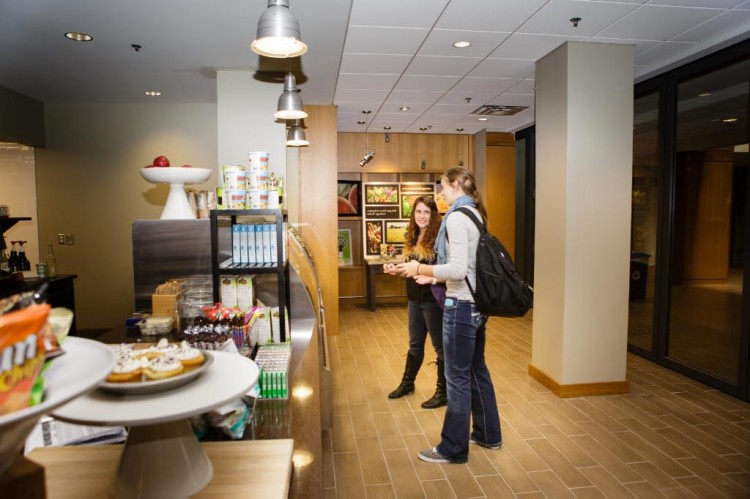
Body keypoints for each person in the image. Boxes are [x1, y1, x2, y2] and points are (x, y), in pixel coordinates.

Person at [397, 167, 502, 464]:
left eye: (442, 188)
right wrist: (431, 277)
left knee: (456, 378)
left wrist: (420, 269)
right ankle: (487, 434)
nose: (440, 195)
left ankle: (452, 448)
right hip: (477, 305)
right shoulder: (477, 215)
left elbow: (456, 270)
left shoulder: (456, 218)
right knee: (477, 371)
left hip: (461, 307)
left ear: (455, 185)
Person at [383, 196, 446, 409]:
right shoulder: (412, 236)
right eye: (418, 212)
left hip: (433, 301)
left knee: (440, 348)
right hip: (414, 300)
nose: (421, 216)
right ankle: (407, 384)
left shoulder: (439, 239)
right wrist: (396, 271)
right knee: (415, 345)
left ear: (434, 215)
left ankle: (442, 391)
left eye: (426, 212)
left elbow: (445, 271)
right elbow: (410, 271)